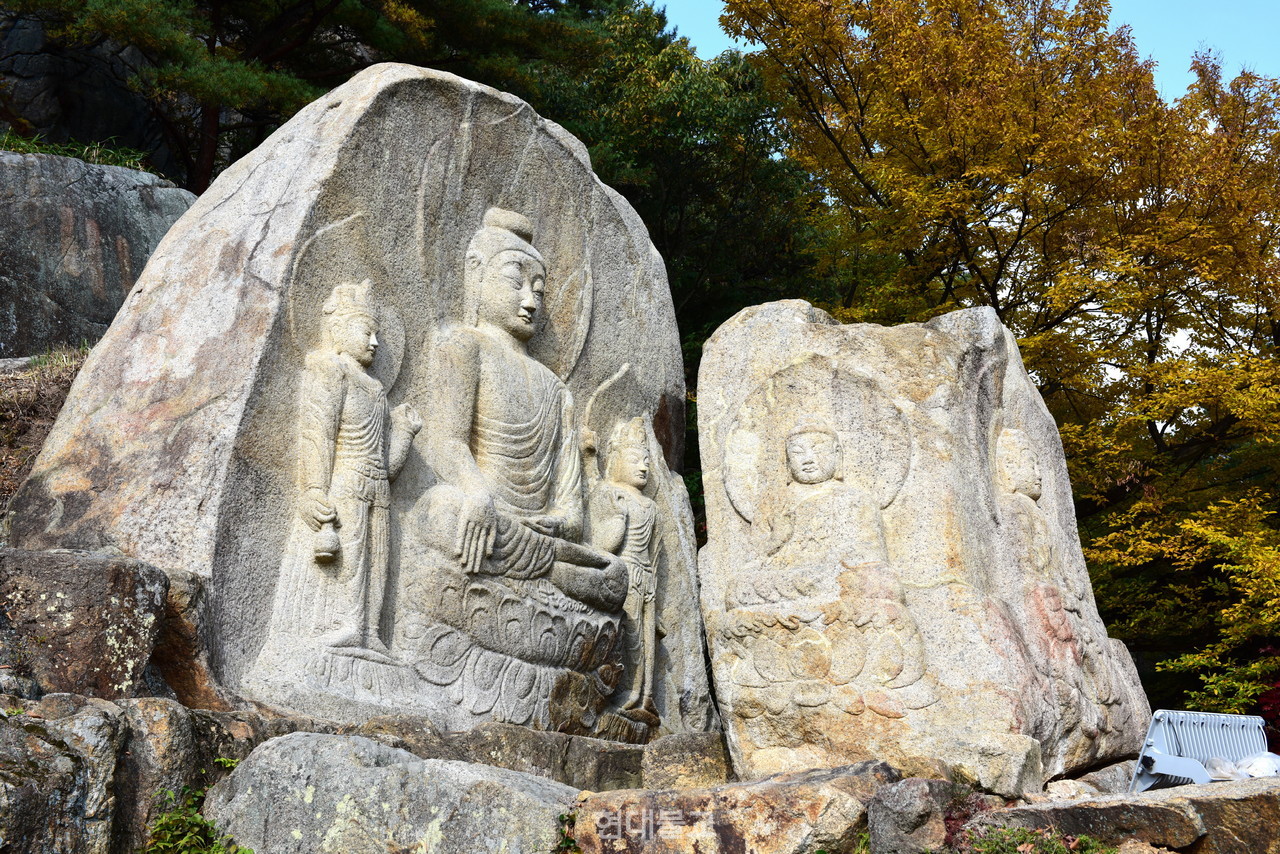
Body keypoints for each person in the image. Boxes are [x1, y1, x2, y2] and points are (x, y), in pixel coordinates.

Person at [397, 208, 628, 732]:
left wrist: (558, 527)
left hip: (534, 545)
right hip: (483, 523)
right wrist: (480, 495)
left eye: (540, 290)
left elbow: (571, 507)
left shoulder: (556, 389)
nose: (530, 300)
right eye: (515, 282)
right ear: (477, 275)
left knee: (614, 578)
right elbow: (446, 440)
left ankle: (526, 601)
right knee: (440, 510)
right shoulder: (461, 345)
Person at [255, 279, 421, 669]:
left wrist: (406, 435)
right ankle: (345, 625)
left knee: (379, 562)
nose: (376, 342)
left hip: (377, 488)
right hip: (345, 484)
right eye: (367, 331)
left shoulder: (377, 389)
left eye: (378, 333)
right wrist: (313, 489)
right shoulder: (330, 370)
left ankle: (370, 633)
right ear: (339, 330)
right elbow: (318, 433)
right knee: (352, 559)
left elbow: (385, 464)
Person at [587, 417, 659, 713]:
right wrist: (617, 518)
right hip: (623, 573)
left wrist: (653, 585)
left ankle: (645, 696)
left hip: (647, 579)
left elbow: (653, 552)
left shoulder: (651, 506)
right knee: (629, 640)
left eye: (646, 462)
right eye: (634, 460)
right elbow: (602, 546)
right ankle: (624, 692)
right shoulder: (609, 492)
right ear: (616, 460)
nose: (643, 467)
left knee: (648, 642)